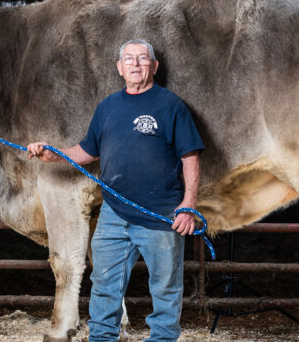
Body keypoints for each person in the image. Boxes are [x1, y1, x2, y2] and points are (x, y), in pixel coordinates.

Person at [27, 39, 204, 341]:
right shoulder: (108, 107)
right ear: (120, 68)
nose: (136, 64)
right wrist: (53, 154)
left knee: (165, 287)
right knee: (104, 284)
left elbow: (191, 157)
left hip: (160, 214)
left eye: (143, 58)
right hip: (114, 215)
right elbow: (87, 151)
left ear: (154, 66)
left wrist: (188, 205)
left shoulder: (170, 106)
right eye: (129, 59)